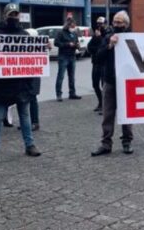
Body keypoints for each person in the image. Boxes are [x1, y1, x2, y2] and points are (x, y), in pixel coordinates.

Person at [0, 3, 41, 164]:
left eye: (16, 14)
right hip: (2, 86)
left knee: (25, 117)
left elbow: (33, 61)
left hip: (21, 85)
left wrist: (43, 50)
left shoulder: (25, 35)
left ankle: (30, 145)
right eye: (10, 14)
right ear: (5, 16)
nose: (13, 17)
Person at [91, 11, 134, 156]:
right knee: (108, 114)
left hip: (126, 82)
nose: (116, 24)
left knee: (127, 114)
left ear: (126, 24)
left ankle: (127, 141)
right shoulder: (108, 37)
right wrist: (109, 45)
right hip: (110, 81)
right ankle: (106, 143)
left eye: (120, 22)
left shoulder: (132, 39)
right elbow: (97, 57)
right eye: (115, 22)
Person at [54, 17, 82, 102]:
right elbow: (56, 43)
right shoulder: (61, 33)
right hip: (63, 57)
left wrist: (77, 45)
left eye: (74, 26)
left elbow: (76, 43)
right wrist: (67, 44)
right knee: (61, 76)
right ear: (68, 25)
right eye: (72, 26)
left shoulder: (74, 34)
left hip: (72, 56)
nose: (73, 28)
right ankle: (59, 94)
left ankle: (72, 93)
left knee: (72, 76)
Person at [88, 16, 108, 113]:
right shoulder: (95, 35)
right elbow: (89, 47)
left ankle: (105, 106)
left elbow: (105, 48)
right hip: (95, 63)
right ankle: (100, 102)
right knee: (95, 84)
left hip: (104, 64)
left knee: (104, 85)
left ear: (105, 24)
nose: (99, 25)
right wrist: (97, 39)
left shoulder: (107, 34)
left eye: (101, 23)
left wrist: (99, 38)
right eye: (98, 23)